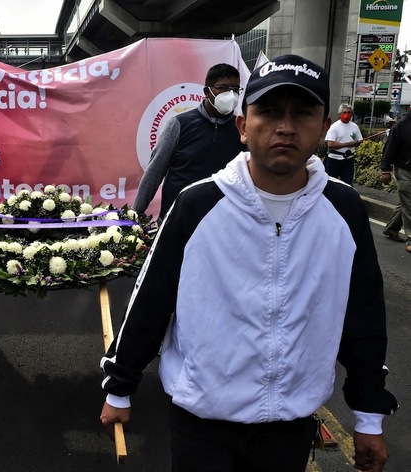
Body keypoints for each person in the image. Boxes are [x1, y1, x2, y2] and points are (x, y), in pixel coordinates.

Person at [100, 54, 397, 472]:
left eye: (303, 113)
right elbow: (151, 297)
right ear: (243, 126)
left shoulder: (344, 210)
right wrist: (120, 385)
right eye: (270, 111)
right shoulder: (198, 204)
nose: (286, 126)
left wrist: (369, 416)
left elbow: (363, 315)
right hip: (201, 424)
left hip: (290, 427)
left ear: (323, 125)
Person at [132, 63, 246, 221]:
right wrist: (135, 215)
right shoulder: (178, 124)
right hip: (176, 220)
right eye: (224, 88)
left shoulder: (241, 129)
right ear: (207, 91)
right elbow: (154, 172)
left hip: (222, 222)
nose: (231, 95)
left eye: (235, 89)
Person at [381, 108, 411, 253]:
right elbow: (389, 148)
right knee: (410, 203)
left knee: (405, 203)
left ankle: (391, 228)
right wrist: (385, 170)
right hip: (404, 170)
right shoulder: (401, 125)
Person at [324, 104, 363, 185]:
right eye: (344, 112)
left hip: (348, 160)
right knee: (330, 184)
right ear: (340, 114)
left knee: (348, 184)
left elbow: (359, 140)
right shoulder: (334, 127)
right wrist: (347, 144)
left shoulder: (354, 127)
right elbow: (330, 144)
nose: (347, 115)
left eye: (349, 112)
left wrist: (357, 143)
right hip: (334, 160)